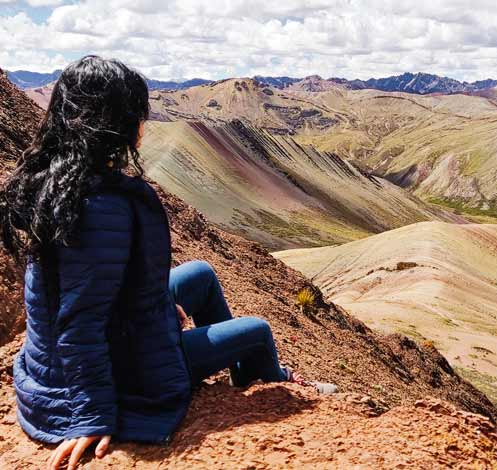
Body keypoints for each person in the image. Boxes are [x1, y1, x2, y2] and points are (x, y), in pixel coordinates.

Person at [0, 55, 335, 470]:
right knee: (256, 331)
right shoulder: (100, 206)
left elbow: (94, 284)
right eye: (138, 113)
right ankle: (261, 374)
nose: (145, 124)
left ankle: (230, 365)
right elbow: (79, 319)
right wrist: (89, 414)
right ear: (116, 122)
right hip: (125, 372)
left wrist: (158, 303)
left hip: (112, 335)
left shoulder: (61, 179)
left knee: (201, 274)